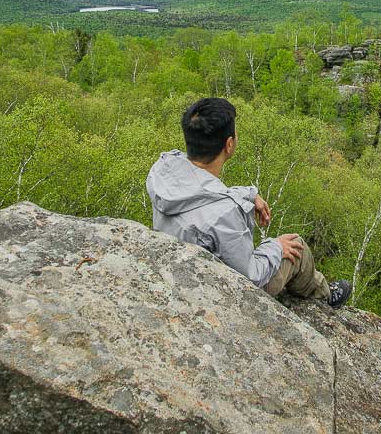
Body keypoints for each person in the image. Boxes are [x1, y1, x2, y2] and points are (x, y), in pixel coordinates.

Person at [146, 97, 353, 307]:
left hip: (178, 259)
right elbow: (250, 276)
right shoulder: (224, 215)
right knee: (295, 246)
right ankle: (324, 297)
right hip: (220, 287)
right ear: (229, 144)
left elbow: (202, 193)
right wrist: (276, 247)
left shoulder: (164, 167)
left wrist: (249, 195)